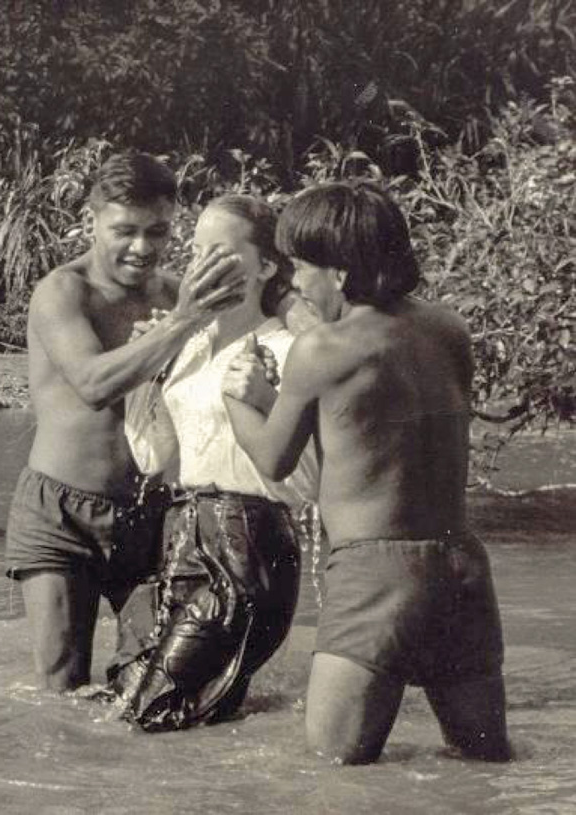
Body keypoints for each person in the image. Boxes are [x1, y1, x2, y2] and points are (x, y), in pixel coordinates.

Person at [222, 181, 510, 763]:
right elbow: (378, 420)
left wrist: (241, 399)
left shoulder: (321, 350)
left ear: (341, 273)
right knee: (482, 762)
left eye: (303, 268)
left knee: (333, 775)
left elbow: (276, 461)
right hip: (462, 569)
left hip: (377, 573)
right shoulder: (450, 330)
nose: (296, 283)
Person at [5, 151, 247, 692]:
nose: (142, 248)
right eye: (125, 231)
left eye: (157, 232)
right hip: (62, 511)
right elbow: (93, 385)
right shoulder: (65, 292)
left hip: (153, 515)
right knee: (60, 686)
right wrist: (183, 323)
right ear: (92, 219)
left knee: (157, 688)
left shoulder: (174, 294)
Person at [107, 195, 319, 730]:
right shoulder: (191, 345)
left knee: (149, 716)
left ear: (266, 266)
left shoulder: (293, 349)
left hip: (251, 545)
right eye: (196, 250)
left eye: (219, 252)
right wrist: (148, 373)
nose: (199, 264)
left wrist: (267, 402)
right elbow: (153, 456)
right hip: (181, 541)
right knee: (131, 700)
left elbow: (311, 480)